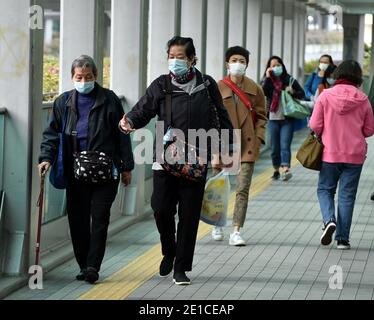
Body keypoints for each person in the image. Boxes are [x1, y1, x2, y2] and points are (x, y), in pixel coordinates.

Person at [119, 36, 233, 285]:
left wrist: (224, 151)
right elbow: (144, 109)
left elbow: (221, 117)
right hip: (165, 157)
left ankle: (181, 267)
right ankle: (169, 251)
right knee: (161, 208)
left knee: (189, 215)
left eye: (179, 56)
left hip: (196, 158)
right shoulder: (161, 85)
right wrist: (129, 121)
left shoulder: (206, 84)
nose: (174, 61)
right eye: (171, 56)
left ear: (192, 59)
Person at [38, 55, 134, 284]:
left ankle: (93, 266)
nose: (84, 81)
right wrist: (46, 158)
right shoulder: (63, 103)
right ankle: (83, 264)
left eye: (88, 77)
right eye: (79, 77)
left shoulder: (110, 100)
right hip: (75, 172)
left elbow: (122, 135)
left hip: (105, 171)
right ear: (72, 77)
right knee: (78, 220)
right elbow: (52, 135)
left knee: (100, 218)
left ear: (96, 77)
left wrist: (126, 167)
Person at [309, 60, 374, 250]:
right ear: (358, 77)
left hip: (330, 153)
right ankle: (343, 240)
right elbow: (370, 129)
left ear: (338, 74)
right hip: (354, 155)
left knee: (325, 190)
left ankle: (329, 220)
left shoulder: (326, 96)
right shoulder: (363, 99)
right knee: (347, 196)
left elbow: (314, 125)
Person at [211, 46, 267, 246]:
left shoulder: (255, 89)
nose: (238, 64)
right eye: (234, 60)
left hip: (247, 143)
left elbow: (262, 116)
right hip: (223, 142)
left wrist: (259, 137)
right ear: (227, 63)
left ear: (247, 64)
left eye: (242, 61)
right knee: (218, 187)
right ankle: (216, 223)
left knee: (243, 189)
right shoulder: (216, 87)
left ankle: (236, 230)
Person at [261, 56, 305, 181]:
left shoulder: (289, 79)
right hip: (273, 119)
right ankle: (276, 169)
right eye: (273, 65)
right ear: (269, 68)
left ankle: (286, 169)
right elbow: (262, 92)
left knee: (285, 145)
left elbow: (302, 94)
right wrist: (267, 78)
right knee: (275, 147)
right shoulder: (267, 81)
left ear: (282, 65)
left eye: (278, 64)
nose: (276, 67)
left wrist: (292, 92)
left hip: (287, 119)